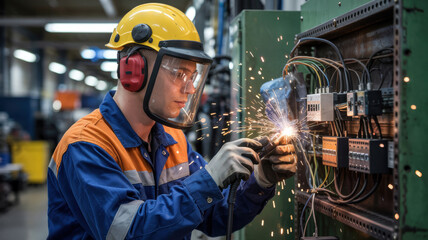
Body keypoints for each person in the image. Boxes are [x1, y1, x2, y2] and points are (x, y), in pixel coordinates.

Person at [47, 3, 297, 240]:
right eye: (179, 74)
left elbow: (213, 215)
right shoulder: (85, 146)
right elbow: (128, 232)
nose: (189, 89)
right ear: (133, 71)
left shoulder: (173, 139)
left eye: (192, 76)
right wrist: (208, 179)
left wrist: (260, 180)